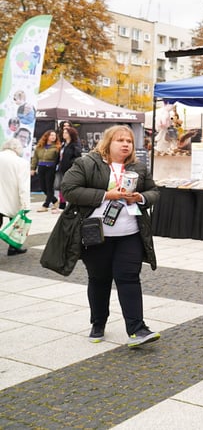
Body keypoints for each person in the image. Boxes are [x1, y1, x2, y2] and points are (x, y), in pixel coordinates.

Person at [43, 125, 161, 346]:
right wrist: (107, 195)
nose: (126, 144)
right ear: (108, 143)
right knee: (99, 279)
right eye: (120, 140)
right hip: (96, 235)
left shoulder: (139, 167)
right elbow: (68, 189)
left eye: (129, 141)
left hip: (130, 234)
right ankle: (98, 323)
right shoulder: (87, 163)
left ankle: (137, 330)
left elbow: (154, 192)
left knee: (129, 277)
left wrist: (140, 198)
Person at [0, 138, 31, 256]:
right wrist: (25, 204)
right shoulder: (21, 162)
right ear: (17, 149)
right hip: (12, 198)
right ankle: (13, 247)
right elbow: (23, 185)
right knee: (15, 222)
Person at [55, 126, 83, 212]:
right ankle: (62, 205)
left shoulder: (74, 145)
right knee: (61, 187)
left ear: (71, 134)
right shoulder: (63, 145)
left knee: (69, 187)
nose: (64, 134)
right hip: (61, 168)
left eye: (66, 133)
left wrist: (71, 164)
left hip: (70, 169)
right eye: (63, 132)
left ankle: (71, 205)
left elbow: (78, 157)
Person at [31, 130, 60, 211]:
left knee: (49, 187)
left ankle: (45, 205)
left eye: (54, 135)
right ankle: (55, 200)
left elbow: (58, 159)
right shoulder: (40, 146)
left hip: (50, 168)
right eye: (51, 135)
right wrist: (33, 168)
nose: (53, 137)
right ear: (47, 136)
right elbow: (35, 158)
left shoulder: (57, 147)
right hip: (41, 167)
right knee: (43, 187)